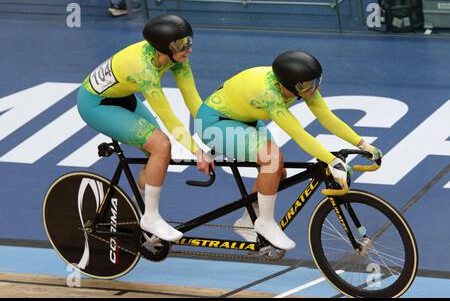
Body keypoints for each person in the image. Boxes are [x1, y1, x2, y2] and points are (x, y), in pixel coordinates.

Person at [195, 51, 382, 250]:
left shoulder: (301, 85)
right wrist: (332, 161)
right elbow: (298, 133)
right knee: (273, 159)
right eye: (309, 85)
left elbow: (326, 117)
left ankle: (247, 221)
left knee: (278, 172)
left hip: (243, 118)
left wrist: (362, 144)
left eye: (316, 81)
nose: (315, 88)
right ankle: (265, 223)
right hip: (214, 123)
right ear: (292, 85)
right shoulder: (269, 94)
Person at [77, 14, 213, 242]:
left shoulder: (175, 58)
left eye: (189, 41)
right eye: (181, 45)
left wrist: (216, 133)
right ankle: (150, 217)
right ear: (162, 48)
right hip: (95, 105)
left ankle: (134, 209)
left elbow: (194, 101)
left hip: (122, 97)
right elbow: (167, 116)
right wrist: (196, 151)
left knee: (155, 155)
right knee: (161, 145)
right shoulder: (144, 69)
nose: (188, 49)